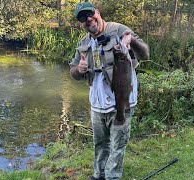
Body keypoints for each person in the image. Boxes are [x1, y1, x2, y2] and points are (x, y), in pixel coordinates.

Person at [69, 2, 149, 180]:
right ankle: (99, 176)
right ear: (80, 23)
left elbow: (145, 54)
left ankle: (112, 177)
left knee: (117, 145)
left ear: (97, 12)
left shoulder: (119, 30)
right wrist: (79, 70)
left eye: (90, 14)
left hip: (121, 102)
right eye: (83, 18)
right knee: (100, 144)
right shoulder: (83, 43)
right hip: (97, 105)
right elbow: (72, 72)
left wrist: (132, 41)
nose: (88, 19)